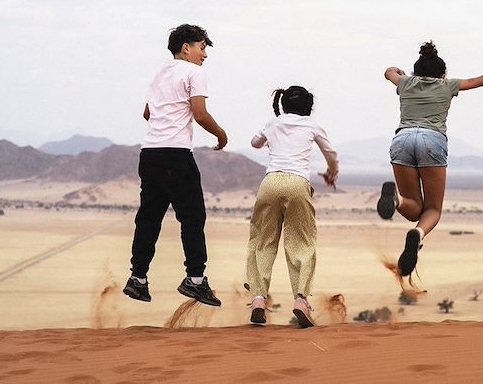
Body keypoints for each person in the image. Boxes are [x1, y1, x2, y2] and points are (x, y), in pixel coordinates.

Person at [378, 41, 483, 277]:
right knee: (432, 210)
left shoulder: (405, 83)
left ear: (416, 72)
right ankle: (418, 235)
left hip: (403, 140)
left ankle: (396, 200)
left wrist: (403, 74)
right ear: (442, 74)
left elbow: (389, 71)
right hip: (432, 141)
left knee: (412, 206)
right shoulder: (447, 85)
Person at [123, 24, 228, 307]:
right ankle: (195, 280)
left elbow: (148, 113)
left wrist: (163, 127)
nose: (204, 54)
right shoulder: (194, 72)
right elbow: (200, 114)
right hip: (176, 154)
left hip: (149, 154)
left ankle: (138, 278)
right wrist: (221, 134)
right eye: (202, 47)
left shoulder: (160, 72)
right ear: (186, 47)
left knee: (148, 218)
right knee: (193, 218)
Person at [244, 86, 339, 327]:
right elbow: (331, 153)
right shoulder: (312, 126)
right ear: (308, 107)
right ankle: (301, 300)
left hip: (270, 182)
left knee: (262, 241)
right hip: (298, 183)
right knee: (301, 242)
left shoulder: (272, 123)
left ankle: (257, 298)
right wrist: (331, 171)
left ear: (283, 104)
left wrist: (271, 137)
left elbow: (255, 143)